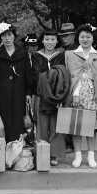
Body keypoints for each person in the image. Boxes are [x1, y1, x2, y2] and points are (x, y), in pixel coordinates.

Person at [64, 24, 97, 168]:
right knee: (76, 127)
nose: (85, 39)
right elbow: (67, 78)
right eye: (82, 36)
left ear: (93, 38)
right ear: (78, 38)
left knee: (91, 128)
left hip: (94, 96)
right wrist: (73, 95)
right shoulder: (69, 55)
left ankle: (91, 156)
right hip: (76, 96)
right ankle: (77, 155)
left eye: (88, 37)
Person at [0, 22, 33, 143]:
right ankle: (2, 151)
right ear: (0, 37)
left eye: (9, 35)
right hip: (2, 93)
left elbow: (28, 75)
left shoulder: (22, 53)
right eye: (3, 36)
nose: (7, 38)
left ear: (14, 36)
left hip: (20, 92)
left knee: (18, 121)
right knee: (3, 121)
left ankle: (16, 149)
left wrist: (29, 92)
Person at [31, 28, 68, 166]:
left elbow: (63, 74)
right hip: (41, 95)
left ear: (57, 41)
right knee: (41, 126)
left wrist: (58, 94)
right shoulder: (36, 56)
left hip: (57, 96)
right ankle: (42, 153)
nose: (50, 42)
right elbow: (36, 75)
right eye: (47, 39)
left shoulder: (61, 55)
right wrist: (53, 76)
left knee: (55, 126)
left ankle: (54, 155)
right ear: (42, 40)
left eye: (53, 39)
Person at [58, 22, 78, 153]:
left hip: (75, 86)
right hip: (62, 86)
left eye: (67, 36)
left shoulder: (78, 49)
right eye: (62, 36)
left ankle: (73, 144)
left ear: (73, 35)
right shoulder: (60, 50)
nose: (64, 38)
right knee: (64, 115)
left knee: (74, 115)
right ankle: (67, 143)